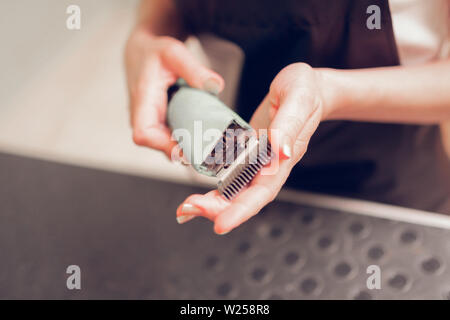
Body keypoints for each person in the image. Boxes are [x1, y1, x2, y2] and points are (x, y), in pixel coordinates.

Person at [124, 0, 450, 235]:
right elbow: (165, 9)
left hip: (390, 193)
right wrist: (147, 38)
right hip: (240, 167)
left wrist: (327, 91)